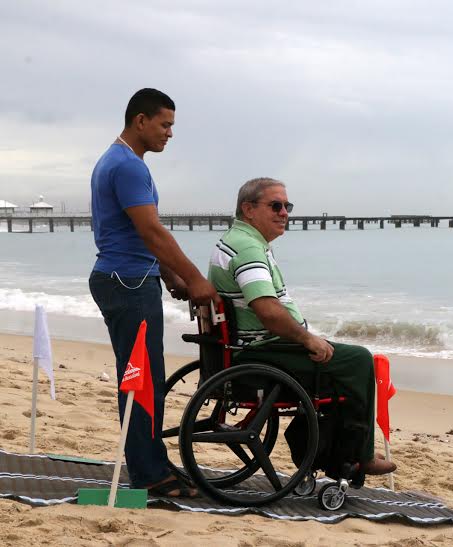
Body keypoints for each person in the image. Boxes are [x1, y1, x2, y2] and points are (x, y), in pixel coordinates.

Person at [207, 177, 396, 477]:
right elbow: (268, 311)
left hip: (255, 347)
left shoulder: (242, 241)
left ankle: (328, 454)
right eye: (276, 205)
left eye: (287, 206)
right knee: (358, 360)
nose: (285, 212)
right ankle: (359, 456)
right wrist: (307, 339)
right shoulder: (247, 248)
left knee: (339, 359)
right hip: (260, 352)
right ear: (248, 209)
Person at [88, 88, 219, 497]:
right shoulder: (127, 166)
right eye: (165, 125)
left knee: (146, 376)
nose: (169, 134)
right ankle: (148, 474)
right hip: (126, 283)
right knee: (142, 378)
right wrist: (195, 278)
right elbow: (151, 230)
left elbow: (134, 234)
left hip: (129, 277)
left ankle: (152, 463)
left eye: (172, 126)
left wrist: (167, 274)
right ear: (139, 121)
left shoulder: (122, 161)